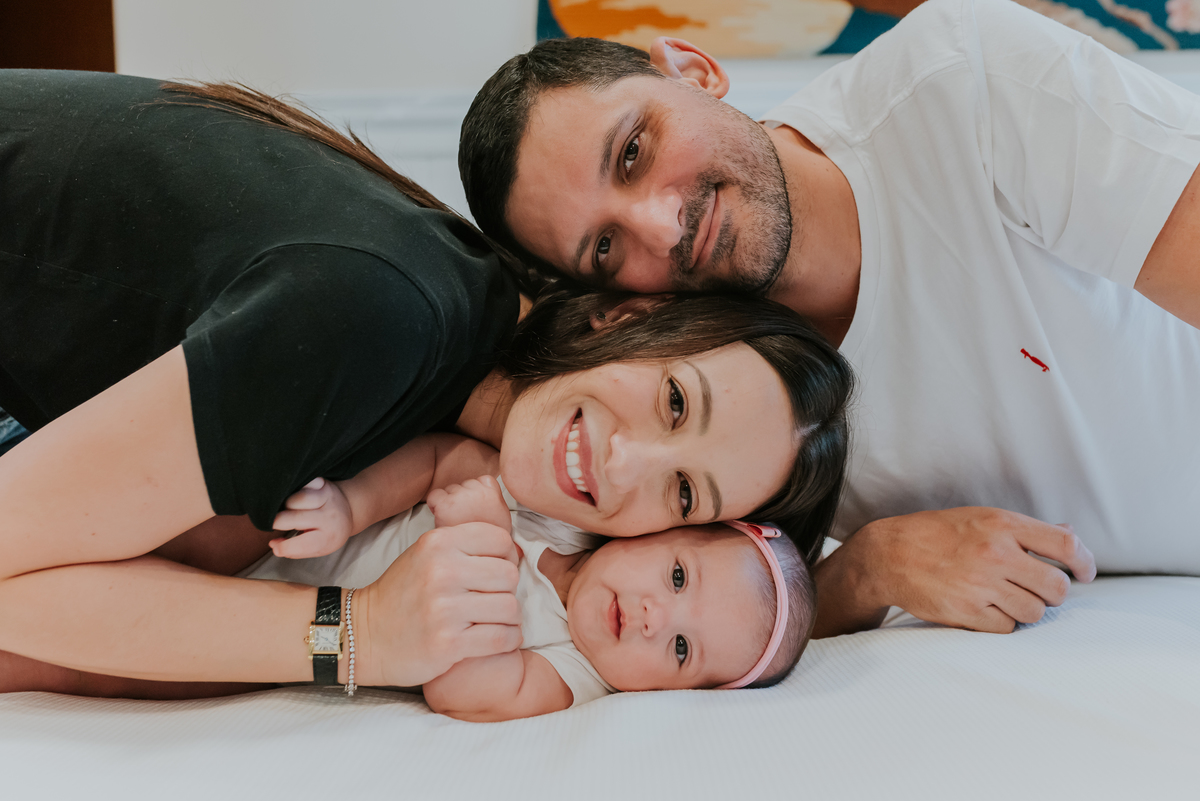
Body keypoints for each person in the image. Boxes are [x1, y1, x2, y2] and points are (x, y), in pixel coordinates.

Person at [0, 67, 853, 694]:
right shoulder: (381, 322)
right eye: (674, 400)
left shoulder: (447, 355)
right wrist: (357, 632)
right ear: (626, 315)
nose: (623, 466)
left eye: (684, 494)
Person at [458, 0, 1200, 639]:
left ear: (693, 68)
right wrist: (870, 566)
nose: (662, 224)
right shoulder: (706, 411)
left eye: (633, 152)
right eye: (607, 246)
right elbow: (701, 617)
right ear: (619, 301)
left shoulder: (963, 83)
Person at [244, 471, 813, 721]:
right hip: (299, 520)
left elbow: (462, 690)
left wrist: (484, 539)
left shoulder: (576, 673)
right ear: (660, 529)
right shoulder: (564, 515)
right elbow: (441, 461)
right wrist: (353, 503)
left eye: (683, 649)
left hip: (282, 631)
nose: (652, 617)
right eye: (678, 578)